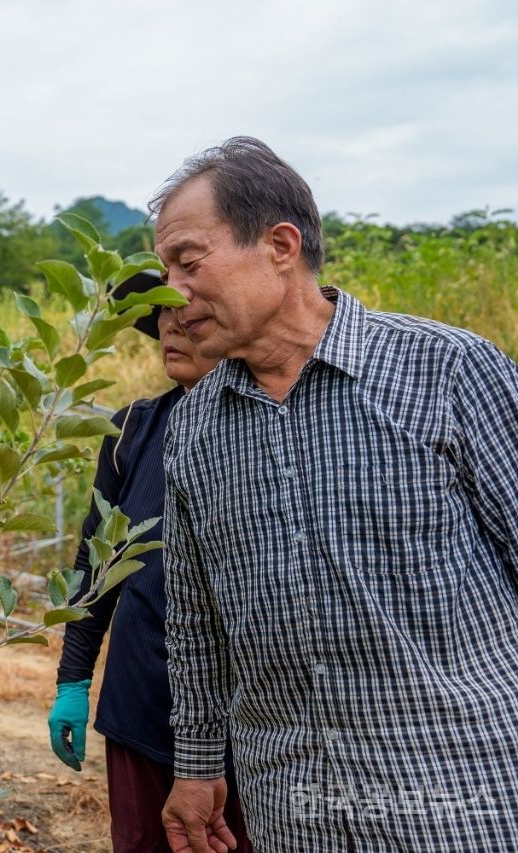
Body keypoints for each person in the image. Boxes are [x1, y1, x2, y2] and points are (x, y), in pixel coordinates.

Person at [153, 137, 518, 852]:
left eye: (188, 263)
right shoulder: (191, 428)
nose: (172, 291)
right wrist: (196, 766)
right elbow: (195, 622)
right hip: (296, 809)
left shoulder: (447, 372)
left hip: (464, 794)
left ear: (281, 245)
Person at [48, 275, 252, 852]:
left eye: (184, 314)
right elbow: (97, 561)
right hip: (140, 699)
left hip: (244, 719)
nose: (169, 327)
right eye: (160, 316)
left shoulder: (277, 433)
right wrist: (72, 680)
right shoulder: (133, 429)